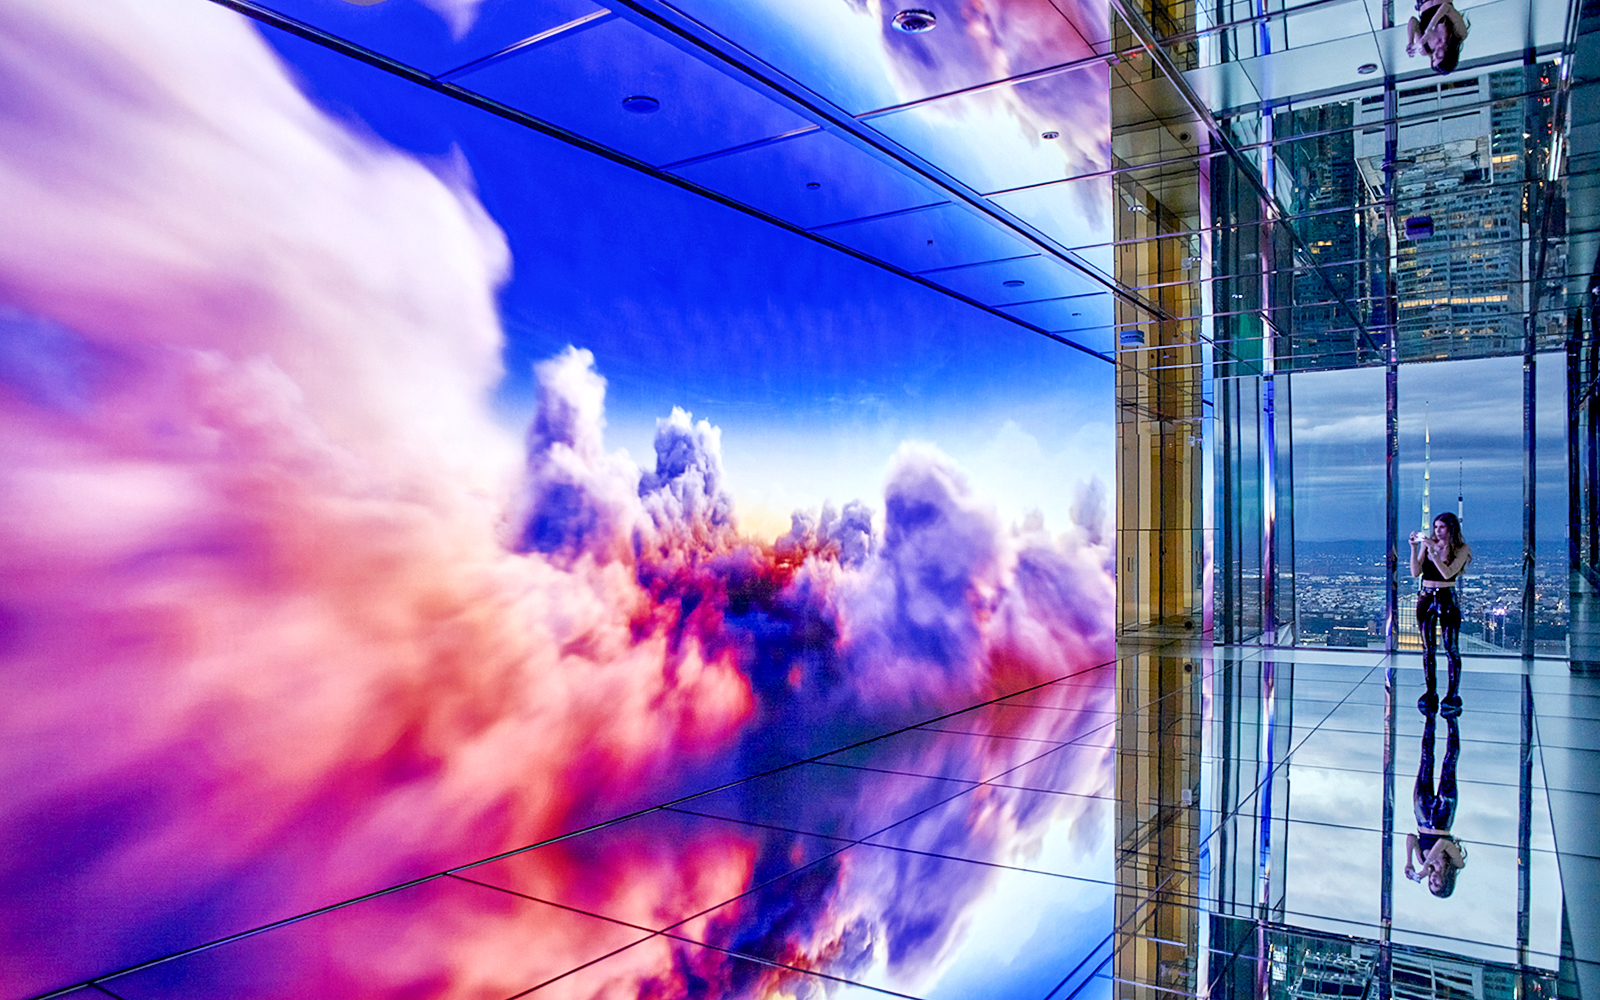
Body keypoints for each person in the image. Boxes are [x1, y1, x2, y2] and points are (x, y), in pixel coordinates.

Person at [1409, 511, 1471, 715]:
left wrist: (1433, 552)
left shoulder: (1461, 549)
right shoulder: (1429, 546)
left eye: (1441, 527)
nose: (1437, 531)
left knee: (1451, 647)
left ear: (1451, 528)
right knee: (1428, 648)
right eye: (1435, 527)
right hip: (1426, 596)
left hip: (1446, 597)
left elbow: (1447, 573)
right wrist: (1415, 548)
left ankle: (1452, 694)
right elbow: (1415, 572)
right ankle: (1430, 692)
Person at [1405, 707, 1467, 897]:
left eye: (1430, 884)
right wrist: (1425, 864)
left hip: (1422, 815)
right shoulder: (1457, 863)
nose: (1432, 879)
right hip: (1442, 816)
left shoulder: (1425, 861)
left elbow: (1410, 837)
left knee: (1425, 760)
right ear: (1447, 882)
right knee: (1449, 763)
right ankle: (1451, 719)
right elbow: (1442, 843)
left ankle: (1429, 716)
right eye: (1437, 883)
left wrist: (1409, 861)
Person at [1408, 0, 1468, 74]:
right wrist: (1431, 26)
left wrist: (1410, 41)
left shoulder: (1425, 49)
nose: (1435, 54)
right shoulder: (1458, 35)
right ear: (1448, 55)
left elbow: (1413, 21)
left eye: (1433, 59)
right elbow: (1447, 7)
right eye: (1439, 56)